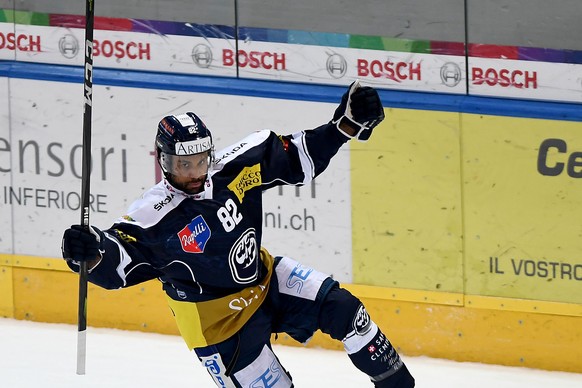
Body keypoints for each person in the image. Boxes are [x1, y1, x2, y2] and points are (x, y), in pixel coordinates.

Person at [61, 81, 415, 388]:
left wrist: (347, 125)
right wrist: (89, 252)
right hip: (219, 327)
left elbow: (300, 156)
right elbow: (118, 259)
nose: (195, 172)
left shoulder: (236, 167)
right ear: (164, 161)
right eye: (184, 164)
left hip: (266, 280)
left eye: (201, 160)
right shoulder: (154, 216)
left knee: (348, 312)